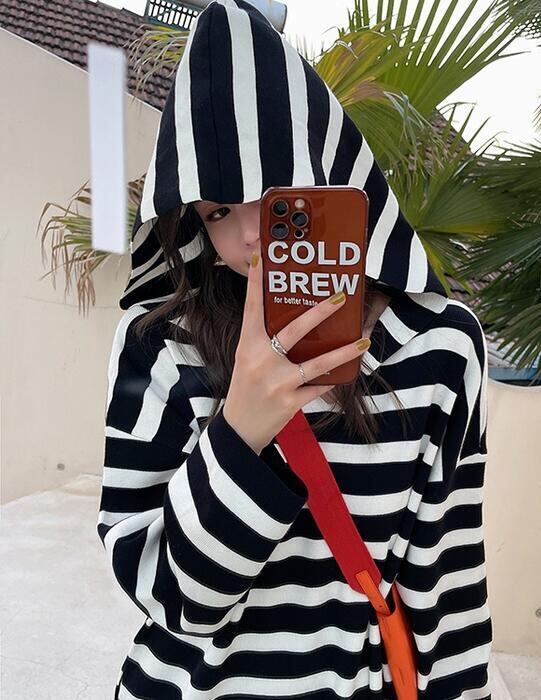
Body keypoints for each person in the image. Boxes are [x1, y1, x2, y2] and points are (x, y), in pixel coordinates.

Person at [97, 0, 492, 698]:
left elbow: (446, 578)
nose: (251, 233)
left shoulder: (441, 348)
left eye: (271, 194)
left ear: (326, 171)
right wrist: (240, 428)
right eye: (218, 210)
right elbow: (169, 600)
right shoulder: (159, 346)